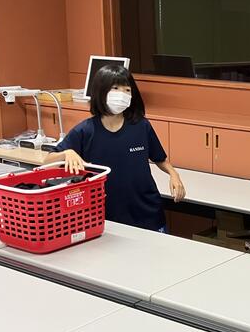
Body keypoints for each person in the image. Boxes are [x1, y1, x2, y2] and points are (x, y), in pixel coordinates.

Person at [49, 64, 185, 232]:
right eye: (115, 88)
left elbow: (159, 158)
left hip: (147, 213)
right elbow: (47, 160)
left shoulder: (141, 125)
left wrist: (174, 175)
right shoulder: (85, 130)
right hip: (105, 216)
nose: (122, 94)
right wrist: (66, 153)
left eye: (127, 90)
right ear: (101, 91)